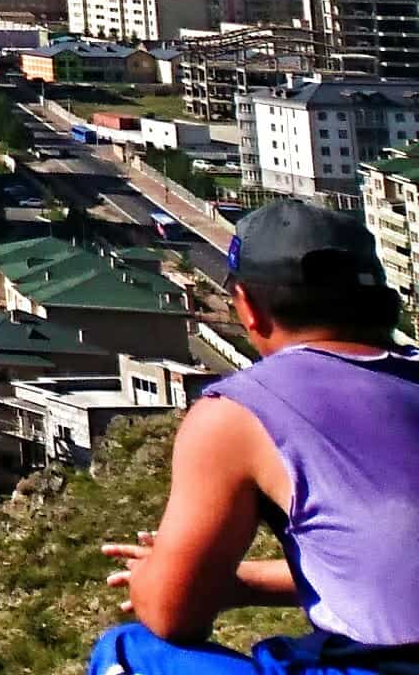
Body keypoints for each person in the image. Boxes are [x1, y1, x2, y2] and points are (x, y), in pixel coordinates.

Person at [91, 201, 419, 674]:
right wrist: (240, 583)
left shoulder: (240, 411)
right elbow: (389, 564)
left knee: (128, 653)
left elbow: (171, 614)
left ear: (248, 308)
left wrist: (155, 577)